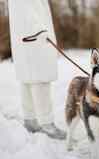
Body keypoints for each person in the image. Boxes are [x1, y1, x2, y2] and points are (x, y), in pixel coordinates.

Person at [8, 0, 65, 139]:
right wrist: (40, 31)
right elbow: (27, 11)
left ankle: (30, 120)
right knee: (40, 81)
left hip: (28, 40)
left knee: (28, 80)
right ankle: (47, 124)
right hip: (35, 38)